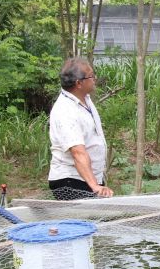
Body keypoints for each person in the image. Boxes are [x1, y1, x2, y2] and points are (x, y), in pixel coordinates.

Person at [47, 57, 114, 200]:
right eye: (91, 76)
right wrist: (94, 186)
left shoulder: (85, 99)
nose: (94, 79)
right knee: (88, 215)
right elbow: (78, 152)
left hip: (87, 179)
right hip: (71, 181)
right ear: (79, 83)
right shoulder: (65, 110)